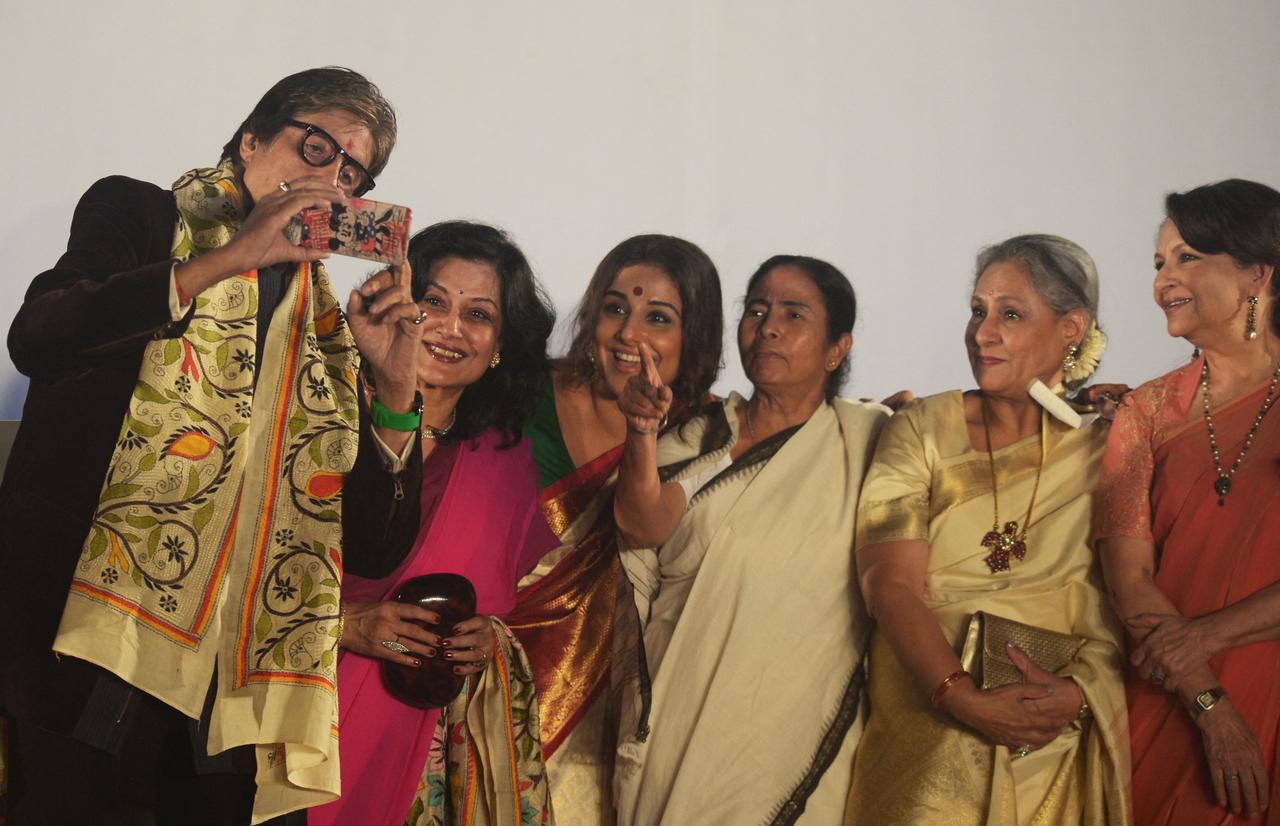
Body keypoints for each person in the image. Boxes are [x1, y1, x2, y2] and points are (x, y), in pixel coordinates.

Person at [0, 67, 400, 822]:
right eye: (315, 146)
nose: (331, 177)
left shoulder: (332, 332)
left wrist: (397, 394)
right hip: (90, 656)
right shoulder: (141, 215)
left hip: (232, 688)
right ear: (250, 141)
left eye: (353, 171)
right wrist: (228, 259)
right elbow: (39, 336)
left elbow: (372, 547)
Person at [846, 235, 1129, 825]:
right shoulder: (922, 430)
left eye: (1010, 314)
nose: (982, 333)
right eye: (978, 311)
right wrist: (961, 697)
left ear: (1071, 327)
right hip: (928, 730)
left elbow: (1124, 601)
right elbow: (887, 587)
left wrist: (1077, 696)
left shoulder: (1110, 445)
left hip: (1052, 741)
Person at [610, 254, 888, 824]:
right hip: (677, 718)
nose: (768, 327)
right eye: (756, 310)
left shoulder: (870, 444)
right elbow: (642, 524)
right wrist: (641, 433)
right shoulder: (697, 436)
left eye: (793, 314)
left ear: (838, 348)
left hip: (791, 737)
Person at [307, 220, 557, 826]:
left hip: (422, 747)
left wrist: (488, 639)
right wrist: (345, 626)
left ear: (499, 344)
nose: (449, 329)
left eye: (478, 315)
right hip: (293, 714)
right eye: (434, 302)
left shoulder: (506, 460)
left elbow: (515, 610)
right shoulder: (313, 412)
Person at [505, 234, 724, 823]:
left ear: (694, 336)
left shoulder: (709, 437)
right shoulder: (518, 394)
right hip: (484, 687)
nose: (629, 334)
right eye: (615, 309)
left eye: (659, 317)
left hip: (611, 718)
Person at [1096, 179, 1280, 824]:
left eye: (1186, 257)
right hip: (1170, 700)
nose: (1163, 279)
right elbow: (1130, 580)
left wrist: (1198, 639)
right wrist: (1210, 706)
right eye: (1157, 263)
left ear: (1257, 272)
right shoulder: (1143, 413)